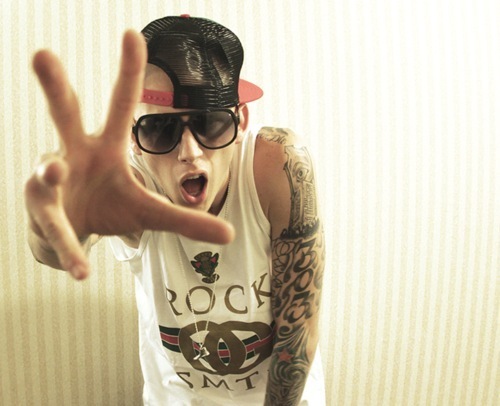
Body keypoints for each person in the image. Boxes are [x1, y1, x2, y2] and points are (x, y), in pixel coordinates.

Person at [25, 15, 325, 405]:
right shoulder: (129, 187)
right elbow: (56, 251)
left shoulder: (277, 166)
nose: (189, 152)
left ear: (241, 120)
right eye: (160, 129)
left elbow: (297, 330)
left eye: (210, 123)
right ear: (135, 139)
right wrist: (57, 224)